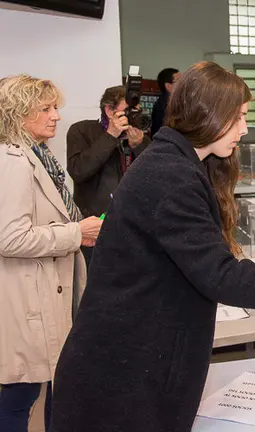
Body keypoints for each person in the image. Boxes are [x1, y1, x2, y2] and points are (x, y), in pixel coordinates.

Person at [49, 62, 255, 431]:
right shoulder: (171, 176)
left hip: (131, 369)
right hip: (120, 385)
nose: (244, 129)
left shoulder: (173, 162)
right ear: (209, 114)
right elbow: (222, 277)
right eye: (239, 117)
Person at [0, 74, 102, 431]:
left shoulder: (38, 156)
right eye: (45, 108)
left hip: (41, 293)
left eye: (54, 107)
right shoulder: (13, 161)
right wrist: (76, 232)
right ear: (17, 113)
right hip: (25, 299)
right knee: (18, 397)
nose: (56, 116)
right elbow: (10, 238)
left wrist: (77, 233)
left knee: (37, 392)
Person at [67, 86, 150, 263]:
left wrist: (139, 146)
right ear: (109, 111)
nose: (133, 116)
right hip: (95, 229)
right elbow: (79, 171)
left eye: (136, 112)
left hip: (134, 228)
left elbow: (156, 175)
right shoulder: (82, 131)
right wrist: (111, 135)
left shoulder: (138, 137)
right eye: (128, 111)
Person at [150, 67, 180, 138]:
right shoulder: (163, 107)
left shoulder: (178, 102)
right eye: (179, 81)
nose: (184, 84)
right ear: (168, 86)